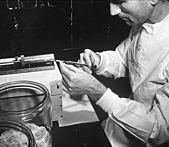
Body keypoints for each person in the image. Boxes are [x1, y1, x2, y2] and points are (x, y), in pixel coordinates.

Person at [59, 0, 169, 147]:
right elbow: (125, 60)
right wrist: (97, 60)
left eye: (120, 2)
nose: (113, 12)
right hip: (115, 126)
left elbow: (159, 131)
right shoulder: (143, 20)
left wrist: (97, 92)